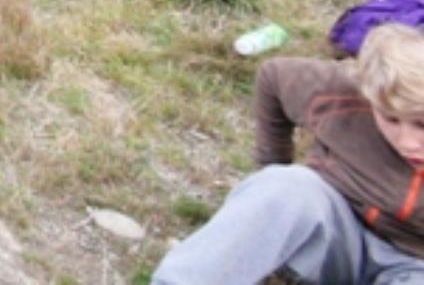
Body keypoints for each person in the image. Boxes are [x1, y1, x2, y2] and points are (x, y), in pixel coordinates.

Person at [150, 22, 424, 284]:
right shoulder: (349, 91)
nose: (408, 142)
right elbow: (273, 77)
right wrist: (270, 171)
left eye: (421, 124)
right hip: (332, 232)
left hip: (413, 263)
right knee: (287, 185)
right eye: (390, 119)